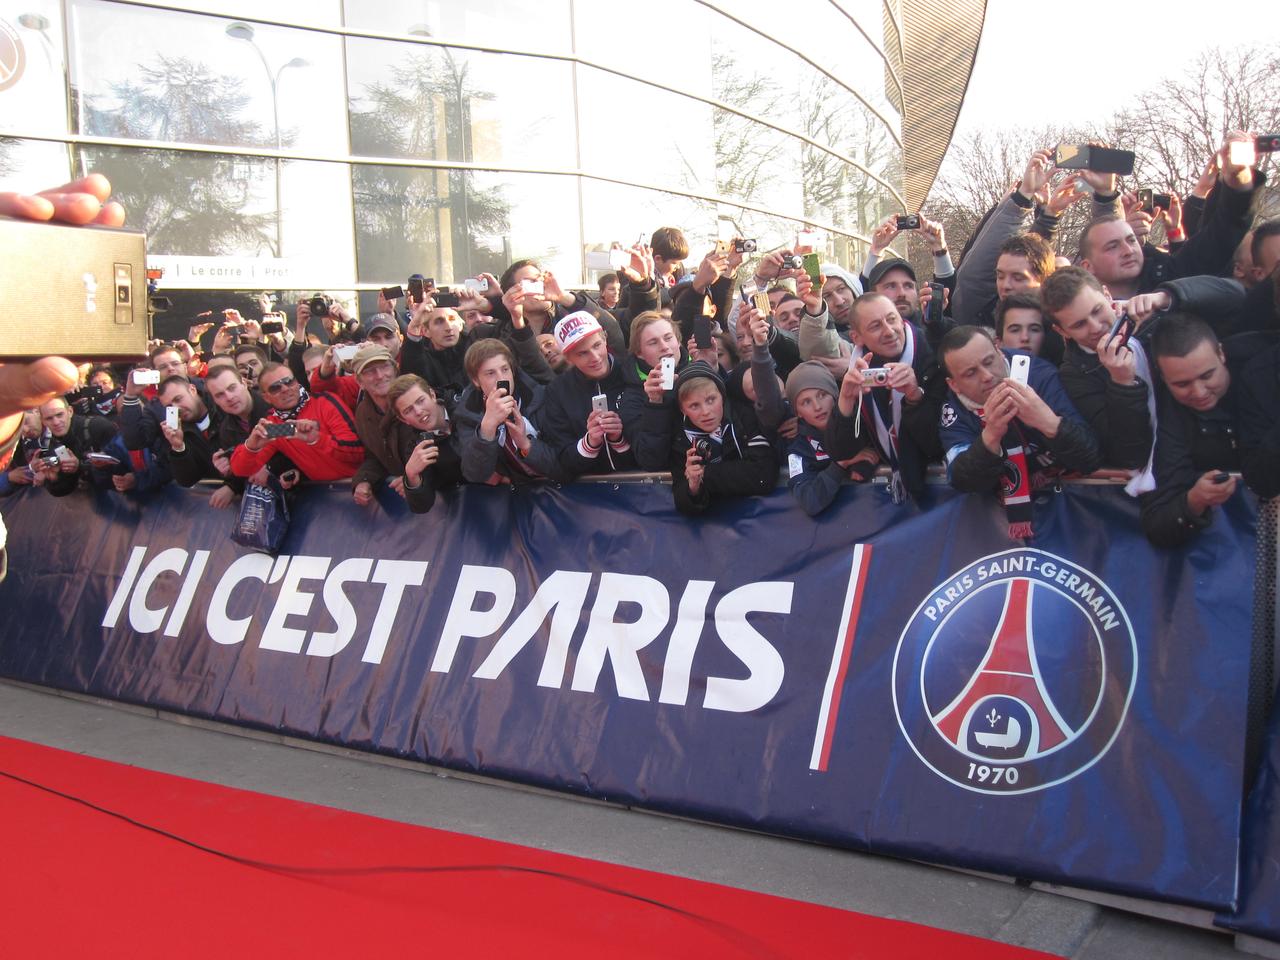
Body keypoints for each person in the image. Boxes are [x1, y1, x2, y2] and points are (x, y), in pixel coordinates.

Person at [937, 326, 1100, 538]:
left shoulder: (1039, 375)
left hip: (1075, 508)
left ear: (999, 349)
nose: (987, 376)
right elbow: (963, 481)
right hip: (998, 527)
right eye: (970, 373)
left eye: (989, 362)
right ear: (954, 385)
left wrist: (1047, 422)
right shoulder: (953, 410)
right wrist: (990, 437)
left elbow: (1091, 456)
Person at [823, 293, 945, 502]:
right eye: (875, 326)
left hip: (941, 492)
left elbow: (937, 444)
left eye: (891, 319)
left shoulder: (933, 354)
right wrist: (846, 401)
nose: (889, 331)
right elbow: (840, 451)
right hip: (894, 498)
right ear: (857, 338)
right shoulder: (859, 367)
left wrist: (914, 396)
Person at [1140, 318, 1251, 547]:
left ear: (1221, 353)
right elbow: (1158, 525)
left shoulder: (1260, 373)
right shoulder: (1167, 416)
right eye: (1182, 384)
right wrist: (1195, 500)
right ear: (1163, 378)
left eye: (1207, 376)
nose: (1199, 392)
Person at [1038, 267, 1154, 473]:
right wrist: (1122, 384)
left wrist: (1167, 297)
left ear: (1107, 294)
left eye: (1097, 310)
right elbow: (1127, 453)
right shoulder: (1073, 375)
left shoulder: (1148, 319)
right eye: (1080, 324)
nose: (1095, 327)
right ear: (1061, 331)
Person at [669, 361, 776, 514]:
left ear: (722, 396)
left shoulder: (744, 417)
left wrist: (707, 473)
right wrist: (693, 487)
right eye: (694, 405)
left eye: (711, 400)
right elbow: (682, 503)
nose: (705, 412)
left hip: (760, 515)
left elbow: (764, 475)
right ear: (682, 409)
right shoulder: (681, 438)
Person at [230, 362, 364, 483]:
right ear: (266, 397)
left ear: (297, 382)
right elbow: (241, 470)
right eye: (275, 388)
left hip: (357, 484)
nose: (285, 389)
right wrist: (251, 447)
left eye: (289, 381)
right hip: (323, 495)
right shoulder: (276, 425)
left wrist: (317, 439)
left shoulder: (324, 402)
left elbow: (358, 451)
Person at [540, 311, 637, 476]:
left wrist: (618, 440)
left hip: (643, 488)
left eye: (597, 345)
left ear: (605, 339)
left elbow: (654, 448)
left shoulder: (632, 372)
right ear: (568, 358)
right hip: (588, 493)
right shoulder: (556, 391)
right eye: (582, 353)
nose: (595, 357)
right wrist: (590, 443)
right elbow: (560, 459)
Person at [454, 339, 564, 485]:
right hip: (521, 493)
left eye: (505, 369)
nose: (501, 378)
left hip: (562, 485)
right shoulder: (468, 414)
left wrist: (526, 445)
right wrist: (486, 429)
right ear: (476, 381)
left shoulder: (540, 397)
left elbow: (562, 463)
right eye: (490, 373)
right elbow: (475, 474)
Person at [310, 342, 407, 505]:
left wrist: (418, 477)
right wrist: (363, 480)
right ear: (359, 381)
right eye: (369, 371)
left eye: (384, 367)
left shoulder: (414, 399)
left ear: (395, 370)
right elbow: (375, 456)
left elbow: (440, 446)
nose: (379, 375)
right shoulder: (363, 412)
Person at [784, 361, 878, 515]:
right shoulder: (798, 449)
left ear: (835, 395)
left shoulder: (862, 420)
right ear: (798, 412)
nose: (817, 406)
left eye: (822, 395)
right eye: (806, 402)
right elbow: (809, 501)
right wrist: (842, 463)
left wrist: (863, 465)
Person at [385, 374, 464, 513]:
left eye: (420, 401)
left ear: (432, 395)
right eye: (408, 410)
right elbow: (422, 506)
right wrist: (411, 475)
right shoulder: (418, 447)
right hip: (470, 508)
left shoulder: (465, 405)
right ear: (404, 420)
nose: (418, 411)